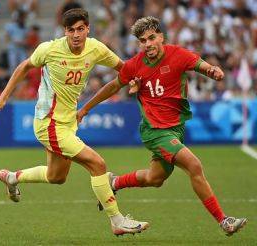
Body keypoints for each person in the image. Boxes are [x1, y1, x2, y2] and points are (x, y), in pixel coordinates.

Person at [77, 16, 247, 237]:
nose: (147, 44)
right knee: (194, 165)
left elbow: (200, 65)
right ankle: (224, 220)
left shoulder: (178, 54)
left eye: (151, 38)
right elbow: (112, 87)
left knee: (155, 179)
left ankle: (114, 181)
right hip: (155, 130)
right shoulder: (134, 66)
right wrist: (85, 109)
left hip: (175, 128)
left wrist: (212, 70)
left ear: (161, 37)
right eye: (142, 40)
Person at [0, 8, 149, 236]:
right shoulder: (50, 49)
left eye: (80, 29)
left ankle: (12, 178)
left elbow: (123, 67)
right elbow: (24, 66)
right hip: (49, 123)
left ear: (87, 29)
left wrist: (135, 80)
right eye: (71, 30)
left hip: (67, 122)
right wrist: (3, 96)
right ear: (65, 31)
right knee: (98, 164)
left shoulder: (95, 48)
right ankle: (117, 220)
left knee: (57, 177)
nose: (76, 34)